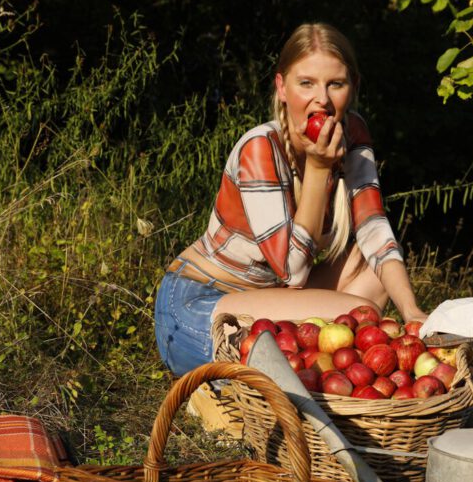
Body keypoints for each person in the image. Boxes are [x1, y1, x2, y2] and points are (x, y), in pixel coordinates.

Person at [155, 22, 427, 376]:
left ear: (354, 87)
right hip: (200, 308)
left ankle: (311, 376)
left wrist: (412, 315)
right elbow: (293, 271)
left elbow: (375, 231)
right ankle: (241, 387)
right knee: (365, 313)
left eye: (336, 84)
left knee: (371, 268)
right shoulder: (260, 149)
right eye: (306, 83)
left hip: (270, 297)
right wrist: (317, 169)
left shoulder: (354, 133)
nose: (323, 100)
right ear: (282, 87)